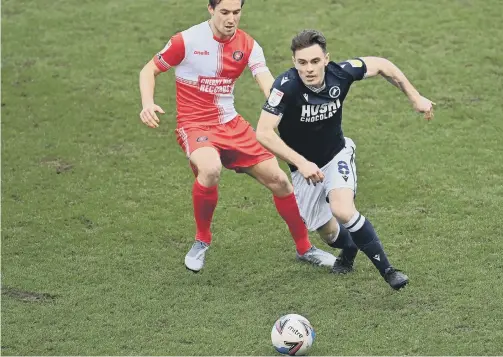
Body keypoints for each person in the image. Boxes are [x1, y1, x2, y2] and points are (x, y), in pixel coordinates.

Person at [138, 2, 336, 272]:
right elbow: (148, 70)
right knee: (210, 169)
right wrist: (147, 103)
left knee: (280, 181)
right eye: (224, 12)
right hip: (195, 125)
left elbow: (265, 80)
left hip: (232, 124)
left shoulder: (249, 45)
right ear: (210, 9)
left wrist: (282, 105)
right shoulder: (186, 41)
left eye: (236, 12)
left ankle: (305, 248)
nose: (231, 19)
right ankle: (201, 241)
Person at [256, 29, 435, 290]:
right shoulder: (284, 87)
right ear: (294, 63)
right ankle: (350, 249)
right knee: (328, 234)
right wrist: (302, 163)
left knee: (343, 209)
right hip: (302, 169)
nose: (309, 68)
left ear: (326, 59)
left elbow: (383, 65)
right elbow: (263, 132)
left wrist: (415, 97)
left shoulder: (341, 73)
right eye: (302, 62)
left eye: (315, 61)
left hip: (336, 154)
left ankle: (389, 271)